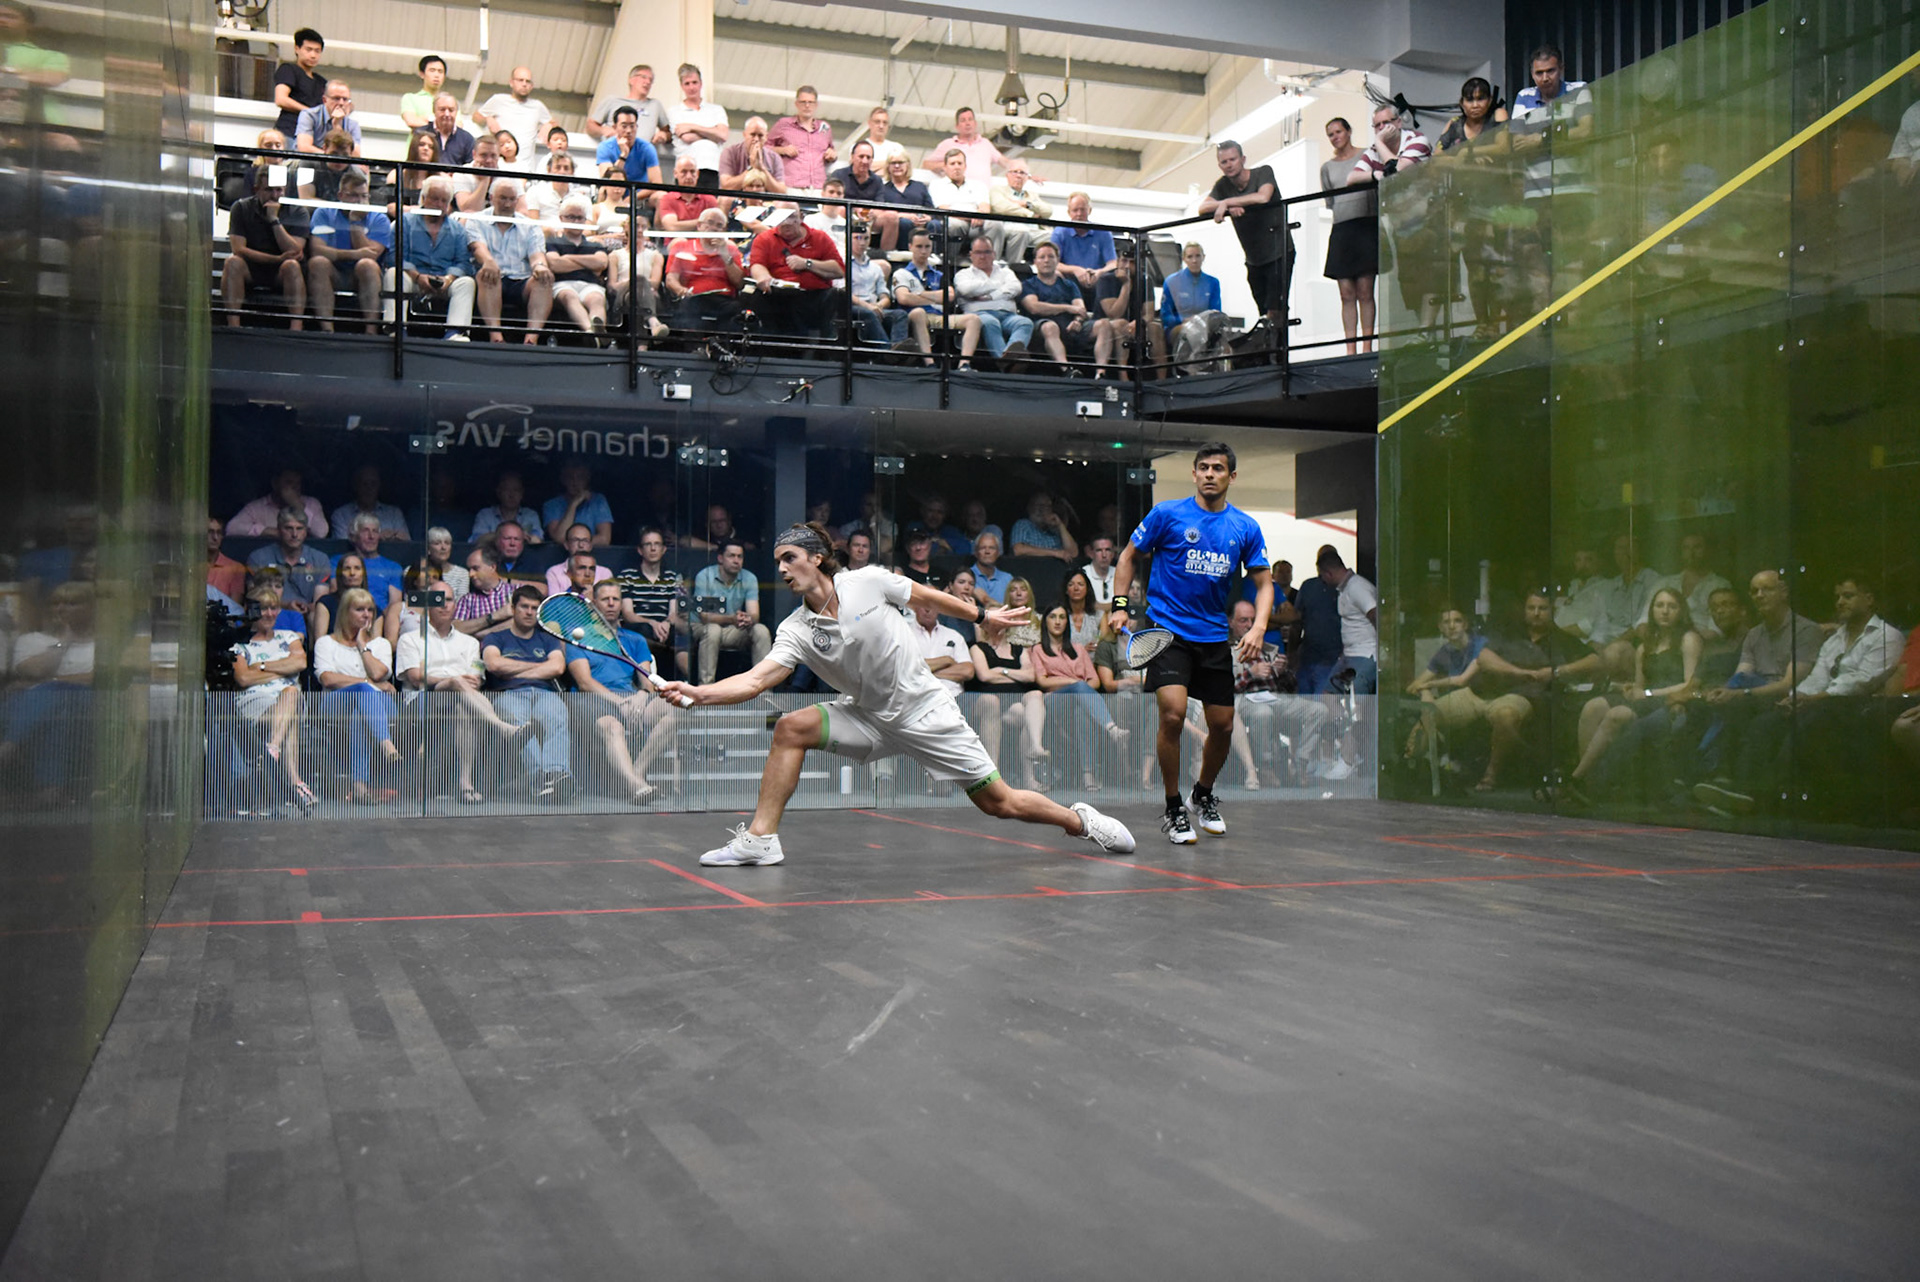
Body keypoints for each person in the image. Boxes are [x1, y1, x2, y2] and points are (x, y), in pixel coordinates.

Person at [660, 523, 1133, 867]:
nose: (781, 568)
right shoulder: (796, 629)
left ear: (816, 558)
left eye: (789, 558)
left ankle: (1079, 821)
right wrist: (699, 693)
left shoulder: (866, 581)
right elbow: (755, 680)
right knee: (790, 727)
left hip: (928, 713)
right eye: (778, 561)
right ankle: (761, 839)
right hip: (868, 716)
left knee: (1000, 803)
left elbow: (925, 596)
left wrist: (981, 616)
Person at [1108, 442, 1273, 843]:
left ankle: (1202, 795)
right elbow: (1128, 556)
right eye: (1204, 467)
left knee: (1223, 726)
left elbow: (1264, 583)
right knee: (1173, 716)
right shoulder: (1167, 514)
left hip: (1214, 637)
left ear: (1231, 476)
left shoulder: (1245, 527)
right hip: (1168, 633)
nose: (1210, 474)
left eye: (1218, 468)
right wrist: (1119, 605)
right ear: (1194, 473)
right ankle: (1173, 808)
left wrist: (1258, 628)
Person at [1697, 575, 1903, 815]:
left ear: (1869, 599)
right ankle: (1743, 792)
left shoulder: (1887, 636)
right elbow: (1818, 675)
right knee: (1765, 723)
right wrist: (1797, 696)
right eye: (1837, 597)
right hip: (1823, 702)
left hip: (1856, 706)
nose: (1840, 602)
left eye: (1848, 596)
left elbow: (1861, 681)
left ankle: (1764, 801)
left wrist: (1812, 698)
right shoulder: (1836, 639)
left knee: (1805, 725)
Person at [1454, 591, 1607, 792]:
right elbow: (1483, 658)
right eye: (1531, 608)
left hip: (1519, 697)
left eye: (1542, 608)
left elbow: (1596, 661)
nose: (1536, 613)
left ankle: (1491, 774)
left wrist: (1557, 672)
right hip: (1479, 693)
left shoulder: (1562, 640)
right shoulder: (1509, 633)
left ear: (1553, 611)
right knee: (1430, 712)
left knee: (1505, 716)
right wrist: (1520, 672)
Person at [396, 578, 527, 805]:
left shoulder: (470, 643)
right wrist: (452, 680)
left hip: (461, 699)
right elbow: (416, 678)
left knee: (462, 705)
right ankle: (501, 726)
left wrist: (457, 682)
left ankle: (465, 784)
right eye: (438, 600)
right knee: (457, 682)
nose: (444, 605)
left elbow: (475, 680)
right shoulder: (409, 638)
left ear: (455, 605)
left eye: (448, 600)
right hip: (421, 700)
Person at [1563, 586, 1702, 799]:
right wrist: (1628, 689)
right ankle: (1590, 783)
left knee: (1617, 714)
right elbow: (1639, 685)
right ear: (1652, 611)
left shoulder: (1689, 639)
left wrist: (1648, 693)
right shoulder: (1646, 646)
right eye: (1660, 605)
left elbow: (1690, 684)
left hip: (1669, 700)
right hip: (1645, 698)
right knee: (1593, 706)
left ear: (1681, 611)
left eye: (1672, 606)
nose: (1665, 611)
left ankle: (1576, 779)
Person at [568, 580, 679, 805]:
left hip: (630, 698)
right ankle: (637, 785)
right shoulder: (578, 638)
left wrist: (641, 695)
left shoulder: (635, 640)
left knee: (674, 709)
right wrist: (620, 702)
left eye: (615, 599)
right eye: (605, 599)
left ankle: (635, 775)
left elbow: (647, 680)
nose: (611, 604)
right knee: (613, 726)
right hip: (591, 701)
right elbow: (585, 683)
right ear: (594, 603)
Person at [482, 584, 573, 801]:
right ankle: (540, 778)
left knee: (557, 715)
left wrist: (513, 669)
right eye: (524, 607)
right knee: (520, 723)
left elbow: (557, 668)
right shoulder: (496, 638)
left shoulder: (548, 639)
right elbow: (493, 664)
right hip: (509, 693)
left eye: (534, 608)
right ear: (513, 608)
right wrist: (539, 667)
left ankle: (556, 774)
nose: (530, 612)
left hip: (544, 692)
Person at [230, 583, 314, 811]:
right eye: (263, 608)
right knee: (290, 707)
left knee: (291, 694)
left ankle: (272, 749)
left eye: (274, 608)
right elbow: (244, 679)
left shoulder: (288, 636)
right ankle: (295, 782)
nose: (269, 614)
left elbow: (300, 662)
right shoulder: (240, 644)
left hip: (289, 701)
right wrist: (283, 669)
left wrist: (261, 666)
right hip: (257, 704)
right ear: (252, 610)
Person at [1229, 599, 1330, 788]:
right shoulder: (1226, 651)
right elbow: (1221, 689)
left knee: (1319, 710)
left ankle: (1300, 763)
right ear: (1231, 622)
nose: (1249, 625)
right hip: (1244, 701)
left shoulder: (1267, 649)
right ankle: (1265, 767)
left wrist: (1282, 671)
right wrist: (1250, 674)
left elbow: (1290, 686)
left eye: (1253, 620)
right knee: (1263, 713)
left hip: (1274, 697)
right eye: (1243, 620)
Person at [313, 587, 399, 805]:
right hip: (336, 704)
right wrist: (368, 683)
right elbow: (327, 679)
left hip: (379, 707)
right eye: (359, 609)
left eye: (370, 610)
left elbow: (378, 673)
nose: (366, 615)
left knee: (360, 713)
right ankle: (386, 743)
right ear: (345, 612)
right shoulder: (326, 643)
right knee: (364, 691)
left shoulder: (380, 644)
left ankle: (359, 787)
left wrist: (362, 645)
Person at [1201, 142, 1294, 336]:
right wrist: (1227, 206)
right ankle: (1270, 349)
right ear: (1219, 165)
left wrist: (1227, 202)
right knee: (1263, 311)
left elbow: (1263, 197)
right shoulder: (1223, 185)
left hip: (1278, 251)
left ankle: (1279, 351)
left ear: (1242, 159)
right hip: (1254, 258)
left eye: (1232, 159)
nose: (1229, 165)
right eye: (1224, 162)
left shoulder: (1263, 172)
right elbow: (1203, 208)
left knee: (1275, 309)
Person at [384, 176, 491, 340]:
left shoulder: (457, 229)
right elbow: (394, 257)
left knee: (466, 283)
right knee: (393, 273)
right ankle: (396, 328)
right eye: (434, 199)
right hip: (413, 278)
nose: (439, 204)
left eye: (443, 201)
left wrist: (448, 279)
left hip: (443, 281)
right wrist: (418, 277)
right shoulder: (404, 222)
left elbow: (463, 263)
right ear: (423, 198)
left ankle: (455, 333)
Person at [304, 169, 390, 335]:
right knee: (318, 263)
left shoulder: (379, 218)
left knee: (367, 265)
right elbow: (316, 250)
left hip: (364, 276)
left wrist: (355, 222)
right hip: (334, 272)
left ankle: (370, 332)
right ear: (340, 195)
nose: (360, 202)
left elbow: (371, 255)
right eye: (354, 195)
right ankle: (327, 330)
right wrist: (355, 254)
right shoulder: (324, 213)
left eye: (364, 196)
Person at [221, 163, 306, 329]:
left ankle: (296, 327)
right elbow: (238, 249)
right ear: (257, 189)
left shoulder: (297, 211)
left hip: (281, 270)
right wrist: (277, 258)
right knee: (232, 262)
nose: (274, 195)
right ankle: (234, 325)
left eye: (279, 190)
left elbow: (295, 251)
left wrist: (274, 221)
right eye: (269, 190)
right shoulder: (241, 207)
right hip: (252, 266)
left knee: (292, 266)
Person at [470, 177, 554, 343]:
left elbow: (537, 255)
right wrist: (488, 261)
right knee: (487, 274)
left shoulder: (530, 225)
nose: (507, 204)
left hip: (521, 280)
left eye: (511, 199)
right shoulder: (477, 220)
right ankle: (496, 337)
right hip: (493, 276)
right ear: (491, 198)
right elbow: (478, 247)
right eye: (503, 198)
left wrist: (540, 266)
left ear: (517, 201)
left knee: (544, 279)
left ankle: (531, 339)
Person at [1319, 117, 1376, 354]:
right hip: (1342, 229)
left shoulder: (1366, 155)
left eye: (1338, 132)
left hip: (1365, 226)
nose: (1335, 137)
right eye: (1330, 134)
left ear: (1349, 131)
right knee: (1346, 293)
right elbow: (1330, 201)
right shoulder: (1327, 168)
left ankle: (1366, 347)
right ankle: (1350, 349)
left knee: (1365, 290)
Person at [966, 606, 1038, 787]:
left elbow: (1030, 676)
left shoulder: (1019, 649)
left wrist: (1001, 670)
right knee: (992, 702)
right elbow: (984, 676)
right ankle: (993, 776)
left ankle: (1029, 777)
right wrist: (1016, 675)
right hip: (988, 701)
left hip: (1014, 701)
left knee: (1025, 712)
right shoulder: (978, 648)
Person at [889, 228, 981, 366]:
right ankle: (929, 362)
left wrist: (919, 294)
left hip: (939, 316)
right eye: (919, 246)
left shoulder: (939, 274)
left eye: (927, 246)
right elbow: (904, 298)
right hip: (915, 315)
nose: (923, 251)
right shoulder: (902, 273)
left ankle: (964, 364)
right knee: (918, 312)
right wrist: (936, 296)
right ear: (910, 247)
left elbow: (949, 296)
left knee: (974, 319)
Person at [746, 212, 845, 338]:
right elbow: (757, 265)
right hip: (778, 296)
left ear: (801, 218)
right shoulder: (764, 239)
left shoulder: (820, 237)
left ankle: (827, 347)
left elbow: (839, 270)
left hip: (814, 297)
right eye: (782, 217)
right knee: (756, 297)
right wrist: (763, 277)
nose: (787, 222)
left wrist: (807, 264)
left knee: (836, 297)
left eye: (792, 217)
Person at [691, 540, 771, 683]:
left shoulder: (749, 578)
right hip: (702, 627)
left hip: (732, 629)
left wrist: (747, 619)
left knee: (761, 630)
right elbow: (705, 616)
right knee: (712, 630)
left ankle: (763, 689)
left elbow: (754, 615)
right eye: (731, 556)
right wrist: (732, 619)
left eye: (740, 556)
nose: (736, 561)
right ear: (720, 558)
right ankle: (705, 688)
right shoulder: (705, 576)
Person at [954, 236, 1036, 367]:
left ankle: (1009, 357)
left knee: (1025, 323)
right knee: (991, 322)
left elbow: (1016, 288)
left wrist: (990, 296)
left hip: (1008, 315)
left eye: (987, 252)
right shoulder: (963, 274)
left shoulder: (1006, 272)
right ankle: (1006, 362)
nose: (982, 256)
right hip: (979, 314)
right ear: (971, 255)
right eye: (978, 252)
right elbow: (967, 290)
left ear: (994, 254)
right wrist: (999, 286)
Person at [616, 527, 687, 676]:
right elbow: (628, 614)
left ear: (664, 549)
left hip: (665, 628)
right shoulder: (627, 576)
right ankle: (646, 679)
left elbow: (674, 612)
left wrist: (666, 623)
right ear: (640, 550)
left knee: (682, 635)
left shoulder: (673, 577)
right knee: (642, 631)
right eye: (648, 544)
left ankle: (691, 682)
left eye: (657, 544)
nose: (653, 548)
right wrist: (652, 623)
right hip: (639, 627)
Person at [664, 206, 745, 330]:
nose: (714, 228)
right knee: (687, 309)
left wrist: (725, 255)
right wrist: (681, 290)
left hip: (724, 299)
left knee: (736, 310)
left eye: (719, 226)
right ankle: (692, 342)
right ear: (699, 226)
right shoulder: (682, 246)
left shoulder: (730, 249)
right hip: (693, 297)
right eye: (710, 223)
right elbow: (671, 279)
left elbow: (739, 283)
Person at [1092, 242, 1163, 379]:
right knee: (1121, 323)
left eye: (1132, 262)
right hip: (1107, 325)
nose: (1127, 266)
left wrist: (1140, 322)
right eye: (1124, 261)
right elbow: (1114, 313)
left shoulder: (1145, 279)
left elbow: (1149, 313)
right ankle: (1123, 375)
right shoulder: (1106, 280)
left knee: (1155, 327)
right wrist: (1126, 285)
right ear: (1118, 262)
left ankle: (1163, 379)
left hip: (1135, 325)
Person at [1020, 242, 1094, 372]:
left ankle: (1101, 373)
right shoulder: (1028, 284)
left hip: (1070, 325)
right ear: (1035, 262)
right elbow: (1034, 307)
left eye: (1051, 256)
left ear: (1057, 260)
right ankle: (1066, 370)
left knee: (1103, 325)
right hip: (1041, 326)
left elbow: (1080, 309)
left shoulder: (1069, 285)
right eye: (1042, 257)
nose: (1046, 260)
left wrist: (1077, 321)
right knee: (1050, 327)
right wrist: (1067, 308)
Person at [245, 508, 331, 617]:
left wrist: (304, 608)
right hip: (268, 614)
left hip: (306, 616)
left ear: (306, 531)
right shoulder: (258, 557)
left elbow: (320, 604)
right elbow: (253, 599)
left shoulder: (320, 559)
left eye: (299, 528)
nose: (294, 534)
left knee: (316, 615)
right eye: (289, 528)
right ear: (279, 529)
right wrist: (286, 606)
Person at [1317, 546, 1379, 695]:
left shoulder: (1357, 587)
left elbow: (1376, 615)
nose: (1322, 581)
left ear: (1329, 574)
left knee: (1356, 700)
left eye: (1322, 576)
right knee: (1328, 695)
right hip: (1349, 654)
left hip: (1365, 653)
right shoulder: (1345, 589)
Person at [473, 66, 553, 169]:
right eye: (520, 80)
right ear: (511, 82)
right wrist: (488, 118)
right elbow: (476, 117)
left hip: (525, 169)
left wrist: (548, 125)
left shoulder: (538, 106)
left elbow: (554, 124)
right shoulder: (498, 100)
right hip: (499, 166)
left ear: (532, 86)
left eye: (528, 81)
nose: (524, 84)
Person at [667, 62, 729, 190]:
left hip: (713, 167)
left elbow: (723, 135)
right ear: (682, 86)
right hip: (686, 170)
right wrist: (713, 133)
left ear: (701, 83)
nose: (691, 87)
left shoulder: (716, 110)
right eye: (687, 83)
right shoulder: (674, 111)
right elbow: (687, 137)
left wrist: (692, 127)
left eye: (694, 82)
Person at [986, 158, 1052, 265]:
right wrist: (1030, 214)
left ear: (1027, 178)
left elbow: (1048, 211)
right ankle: (1014, 267)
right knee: (1022, 231)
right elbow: (1002, 207)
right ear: (1007, 175)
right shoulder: (997, 190)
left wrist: (1027, 204)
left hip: (1033, 231)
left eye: (1022, 173)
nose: (1018, 176)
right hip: (1010, 228)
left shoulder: (1032, 195)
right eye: (1015, 172)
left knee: (1055, 236)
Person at [1048, 192, 1115, 296]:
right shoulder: (1059, 232)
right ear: (1069, 212)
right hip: (1069, 280)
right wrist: (1075, 270)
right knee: (1054, 274)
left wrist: (1100, 272)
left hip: (1098, 281)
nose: (1079, 214)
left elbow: (1113, 263)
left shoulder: (1103, 232)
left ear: (1089, 210)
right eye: (1075, 210)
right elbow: (1053, 263)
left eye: (1083, 210)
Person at [770, 86, 836, 192]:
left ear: (816, 105)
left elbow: (831, 151)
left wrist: (832, 155)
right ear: (796, 104)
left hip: (819, 187)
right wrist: (782, 150)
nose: (807, 105)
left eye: (811, 102)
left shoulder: (825, 128)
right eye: (803, 102)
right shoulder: (783, 124)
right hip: (792, 186)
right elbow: (765, 148)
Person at [229, 467, 328, 537]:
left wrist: (297, 505)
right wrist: (269, 531)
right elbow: (231, 528)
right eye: (289, 482)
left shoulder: (311, 504)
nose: (295, 487)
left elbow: (321, 533)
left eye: (298, 483)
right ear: (275, 483)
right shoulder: (257, 507)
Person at [923, 106, 1007, 182]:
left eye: (970, 119)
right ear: (957, 126)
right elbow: (926, 164)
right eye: (963, 120)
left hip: (982, 192)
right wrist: (944, 165)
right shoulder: (948, 144)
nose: (967, 123)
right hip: (957, 192)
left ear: (975, 123)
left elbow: (1004, 162)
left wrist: (1014, 165)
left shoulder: (985, 143)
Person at [588, 63, 666, 144]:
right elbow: (590, 126)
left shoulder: (655, 105)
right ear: (631, 80)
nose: (648, 82)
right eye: (643, 77)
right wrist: (603, 130)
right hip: (614, 150)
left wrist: (664, 135)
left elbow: (668, 132)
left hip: (641, 151)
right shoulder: (612, 101)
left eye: (651, 80)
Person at [874, 154, 936, 254]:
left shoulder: (919, 186)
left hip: (922, 222)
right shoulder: (883, 189)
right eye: (893, 163)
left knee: (935, 224)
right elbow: (881, 214)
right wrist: (906, 216)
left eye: (900, 163)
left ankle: (935, 256)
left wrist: (927, 218)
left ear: (907, 165)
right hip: (899, 223)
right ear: (888, 167)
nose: (897, 166)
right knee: (905, 223)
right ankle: (904, 255)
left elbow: (931, 209)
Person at [593, 104, 662, 191]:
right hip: (615, 193)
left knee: (660, 195)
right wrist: (623, 155)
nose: (629, 131)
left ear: (637, 127)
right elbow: (608, 182)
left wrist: (631, 197)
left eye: (632, 126)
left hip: (639, 194)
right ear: (615, 127)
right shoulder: (605, 147)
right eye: (624, 126)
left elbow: (657, 183)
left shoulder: (647, 148)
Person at [270, 27, 325, 136]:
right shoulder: (289, 69)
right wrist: (310, 113)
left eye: (317, 51)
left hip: (311, 136)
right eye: (308, 49)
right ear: (297, 49)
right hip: (288, 131)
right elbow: (281, 99)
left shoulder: (321, 82)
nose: (313, 55)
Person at [454, 545, 514, 637]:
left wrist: (483, 634)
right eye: (469, 570)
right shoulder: (467, 600)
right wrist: (493, 616)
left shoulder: (515, 591)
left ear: (492, 567)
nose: (470, 574)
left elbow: (525, 621)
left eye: (475, 568)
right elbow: (455, 630)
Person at [1436, 76, 1509, 151]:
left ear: (1489, 100)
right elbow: (1437, 155)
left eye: (1480, 99)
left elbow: (1503, 148)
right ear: (1462, 103)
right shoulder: (1455, 123)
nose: (1475, 105)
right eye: (1470, 100)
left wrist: (1469, 152)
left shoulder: (1498, 115)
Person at [470, 471, 542, 544]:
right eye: (506, 490)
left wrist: (531, 538)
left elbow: (538, 540)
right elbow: (477, 540)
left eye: (516, 490)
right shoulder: (485, 515)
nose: (511, 495)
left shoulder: (530, 515)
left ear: (522, 493)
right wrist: (515, 535)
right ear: (499, 492)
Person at [718, 115, 786, 192]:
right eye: (753, 135)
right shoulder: (730, 152)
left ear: (766, 137)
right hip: (736, 196)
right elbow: (726, 185)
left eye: (760, 135)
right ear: (744, 134)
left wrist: (762, 169)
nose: (756, 139)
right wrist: (751, 168)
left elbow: (781, 191)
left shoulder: (774, 158)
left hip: (763, 198)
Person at [294, 79, 361, 156]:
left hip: (336, 162)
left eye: (345, 99)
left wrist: (337, 126)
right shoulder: (309, 115)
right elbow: (304, 148)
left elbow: (356, 155)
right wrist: (330, 156)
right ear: (325, 100)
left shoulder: (353, 125)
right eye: (336, 98)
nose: (341, 103)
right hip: (308, 159)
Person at [1008, 492, 1080, 562]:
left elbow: (1073, 554)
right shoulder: (1023, 524)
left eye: (1047, 507)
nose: (1041, 510)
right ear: (1030, 508)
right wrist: (1055, 553)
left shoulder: (1055, 531)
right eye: (1038, 505)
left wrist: (1060, 525)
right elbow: (1018, 550)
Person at [656, 155, 720, 230]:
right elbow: (672, 227)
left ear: (697, 174)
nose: (689, 176)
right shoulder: (667, 199)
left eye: (692, 172)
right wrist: (704, 222)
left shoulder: (710, 199)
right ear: (675, 173)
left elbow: (715, 226)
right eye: (684, 172)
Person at [424, 92, 475, 168]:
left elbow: (471, 168)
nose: (447, 114)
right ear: (434, 111)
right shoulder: (421, 134)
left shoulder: (467, 139)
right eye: (442, 109)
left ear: (456, 112)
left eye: (451, 110)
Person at [397, 53, 445, 130]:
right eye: (432, 70)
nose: (436, 75)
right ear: (422, 74)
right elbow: (411, 121)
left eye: (440, 71)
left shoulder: (449, 102)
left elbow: (458, 125)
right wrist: (442, 124)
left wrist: (426, 120)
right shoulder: (410, 98)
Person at [206, 515, 246, 604]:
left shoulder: (235, 568)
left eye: (219, 533)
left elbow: (234, 607)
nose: (215, 537)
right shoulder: (189, 566)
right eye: (210, 532)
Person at [1060, 570, 1102, 651]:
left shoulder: (1099, 616)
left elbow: (1103, 641)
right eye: (1071, 584)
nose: (1076, 588)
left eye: (1080, 584)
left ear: (1087, 589)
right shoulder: (1059, 616)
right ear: (1066, 590)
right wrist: (1081, 650)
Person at [968, 531, 1011, 605]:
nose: (987, 551)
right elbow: (985, 600)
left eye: (992, 548)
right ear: (975, 552)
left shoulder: (1007, 578)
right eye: (982, 548)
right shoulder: (967, 575)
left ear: (998, 552)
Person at [1082, 537, 1118, 606]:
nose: (1104, 555)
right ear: (1091, 554)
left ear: (1113, 554)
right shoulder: (1083, 574)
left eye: (1108, 550)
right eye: (1099, 550)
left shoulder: (1120, 573)